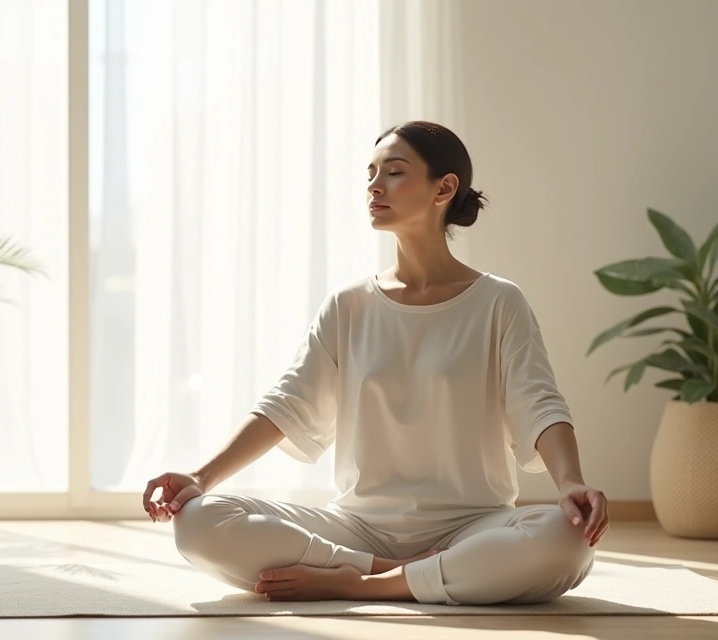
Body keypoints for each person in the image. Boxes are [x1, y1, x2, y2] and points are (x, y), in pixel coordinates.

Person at [142, 121, 607, 605]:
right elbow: (285, 405)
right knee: (198, 523)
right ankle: (406, 574)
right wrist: (200, 478)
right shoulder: (348, 306)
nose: (374, 185)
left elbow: (539, 402)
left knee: (567, 538)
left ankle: (360, 583)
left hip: (473, 526)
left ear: (444, 188)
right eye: (371, 173)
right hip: (356, 529)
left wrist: (570, 482)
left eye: (395, 172)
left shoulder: (498, 301)